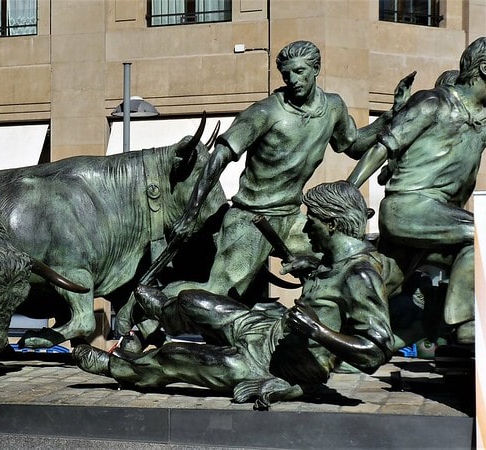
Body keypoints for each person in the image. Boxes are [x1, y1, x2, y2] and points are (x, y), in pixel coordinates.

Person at [73, 181, 395, 408]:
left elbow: (376, 352)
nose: (307, 229)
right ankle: (168, 311)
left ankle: (117, 367)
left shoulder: (360, 275)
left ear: (333, 224)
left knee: (174, 357)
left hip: (273, 365)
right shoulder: (335, 260)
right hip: (267, 330)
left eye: (312, 222)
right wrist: (309, 265)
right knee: (192, 299)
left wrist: (318, 331)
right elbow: (328, 284)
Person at [158, 41, 413, 304]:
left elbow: (353, 145)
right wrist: (190, 215)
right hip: (251, 218)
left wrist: (391, 115)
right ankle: (151, 315)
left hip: (292, 219)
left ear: (316, 69)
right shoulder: (265, 112)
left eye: (300, 72)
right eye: (286, 74)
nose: (293, 80)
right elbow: (219, 156)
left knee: (344, 258)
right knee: (218, 293)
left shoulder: (334, 107)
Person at [347, 37, 486, 345]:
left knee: (388, 283)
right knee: (480, 236)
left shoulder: (482, 118)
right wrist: (348, 189)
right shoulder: (434, 102)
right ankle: (464, 323)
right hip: (407, 208)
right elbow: (384, 145)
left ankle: (336, 344)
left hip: (438, 217)